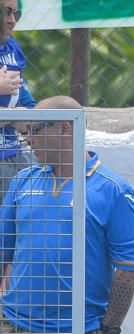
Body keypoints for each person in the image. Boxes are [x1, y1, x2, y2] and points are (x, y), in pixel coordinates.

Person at [0, 96, 134, 334]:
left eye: (35, 129)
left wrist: (107, 333)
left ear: (66, 128)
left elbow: (128, 268)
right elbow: (3, 252)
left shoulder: (112, 190)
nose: (28, 138)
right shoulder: (23, 184)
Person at [0, 0, 34, 198]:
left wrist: (14, 117)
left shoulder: (12, 49)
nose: (12, 21)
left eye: (16, 14)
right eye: (5, 12)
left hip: (14, 155)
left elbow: (28, 105)